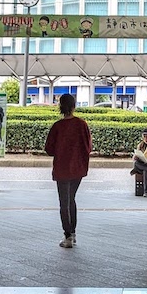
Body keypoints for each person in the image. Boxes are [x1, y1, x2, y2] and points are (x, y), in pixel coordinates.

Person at [45, 93, 92, 248]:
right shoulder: (82, 124)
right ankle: (73, 233)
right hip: (78, 168)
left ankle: (68, 236)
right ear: (74, 106)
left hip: (62, 168)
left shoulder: (57, 126)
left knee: (63, 202)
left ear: (60, 107)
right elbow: (88, 147)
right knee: (71, 199)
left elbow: (49, 149)